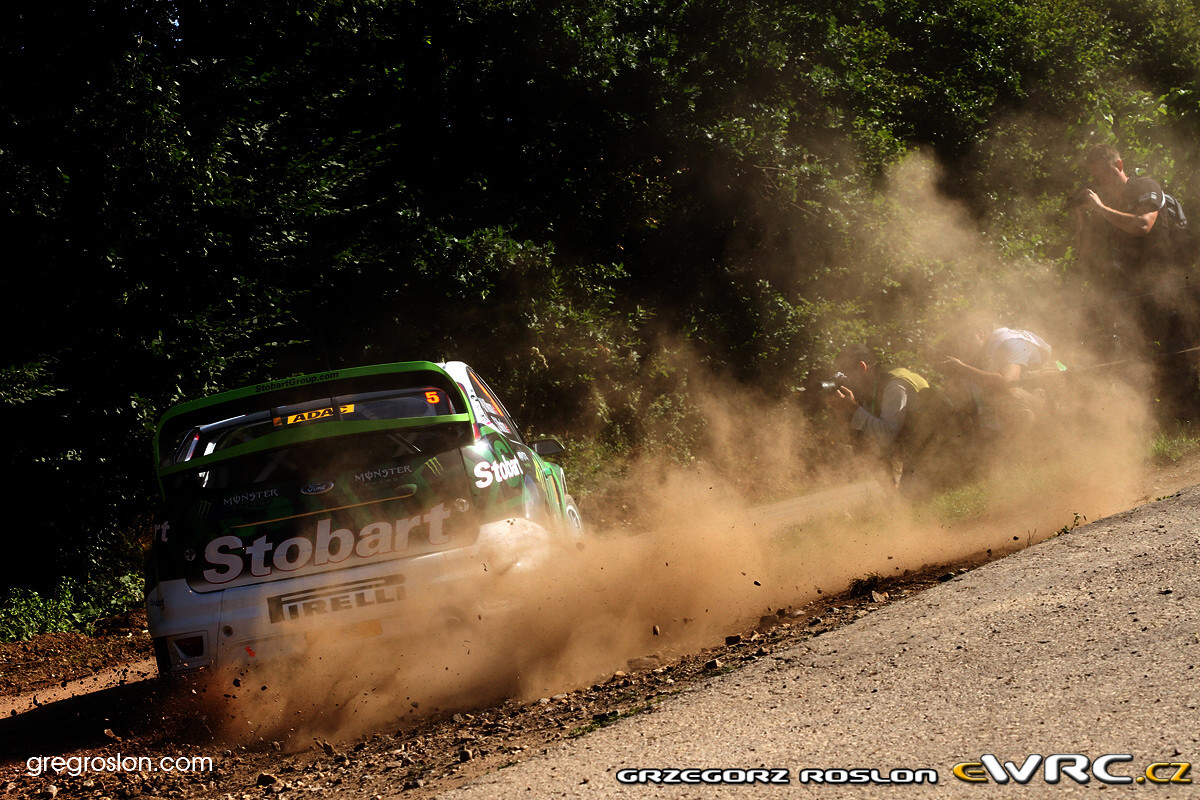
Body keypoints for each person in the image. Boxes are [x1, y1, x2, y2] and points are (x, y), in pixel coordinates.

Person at [828, 343, 932, 487]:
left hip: (941, 449)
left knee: (911, 496)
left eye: (846, 374)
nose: (845, 380)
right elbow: (864, 439)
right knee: (902, 497)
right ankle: (891, 492)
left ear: (862, 367)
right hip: (924, 448)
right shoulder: (874, 385)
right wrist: (840, 410)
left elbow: (887, 435)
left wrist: (853, 407)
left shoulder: (893, 386)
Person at [940, 320, 1055, 432]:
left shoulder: (1007, 344)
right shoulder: (993, 342)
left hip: (1046, 393)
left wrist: (962, 368)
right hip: (1032, 387)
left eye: (966, 342)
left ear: (980, 333)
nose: (964, 349)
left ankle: (1021, 441)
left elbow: (1006, 384)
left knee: (1003, 396)